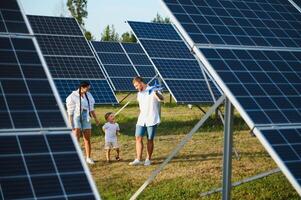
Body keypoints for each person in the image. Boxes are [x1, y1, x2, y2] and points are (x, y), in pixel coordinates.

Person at [129, 77, 164, 166]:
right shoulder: (139, 94)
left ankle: (148, 159)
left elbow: (161, 99)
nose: (136, 88)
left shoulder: (153, 90)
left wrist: (156, 92)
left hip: (152, 119)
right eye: (135, 86)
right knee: (138, 138)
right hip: (141, 119)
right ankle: (138, 159)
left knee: (150, 139)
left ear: (141, 82)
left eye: (136, 85)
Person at [66, 81, 99, 164]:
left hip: (86, 116)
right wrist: (71, 124)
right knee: (76, 137)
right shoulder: (72, 96)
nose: (88, 89)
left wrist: (96, 119)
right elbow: (70, 111)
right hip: (76, 116)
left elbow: (91, 108)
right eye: (87, 88)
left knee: (87, 137)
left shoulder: (89, 95)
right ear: (82, 87)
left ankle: (88, 157)